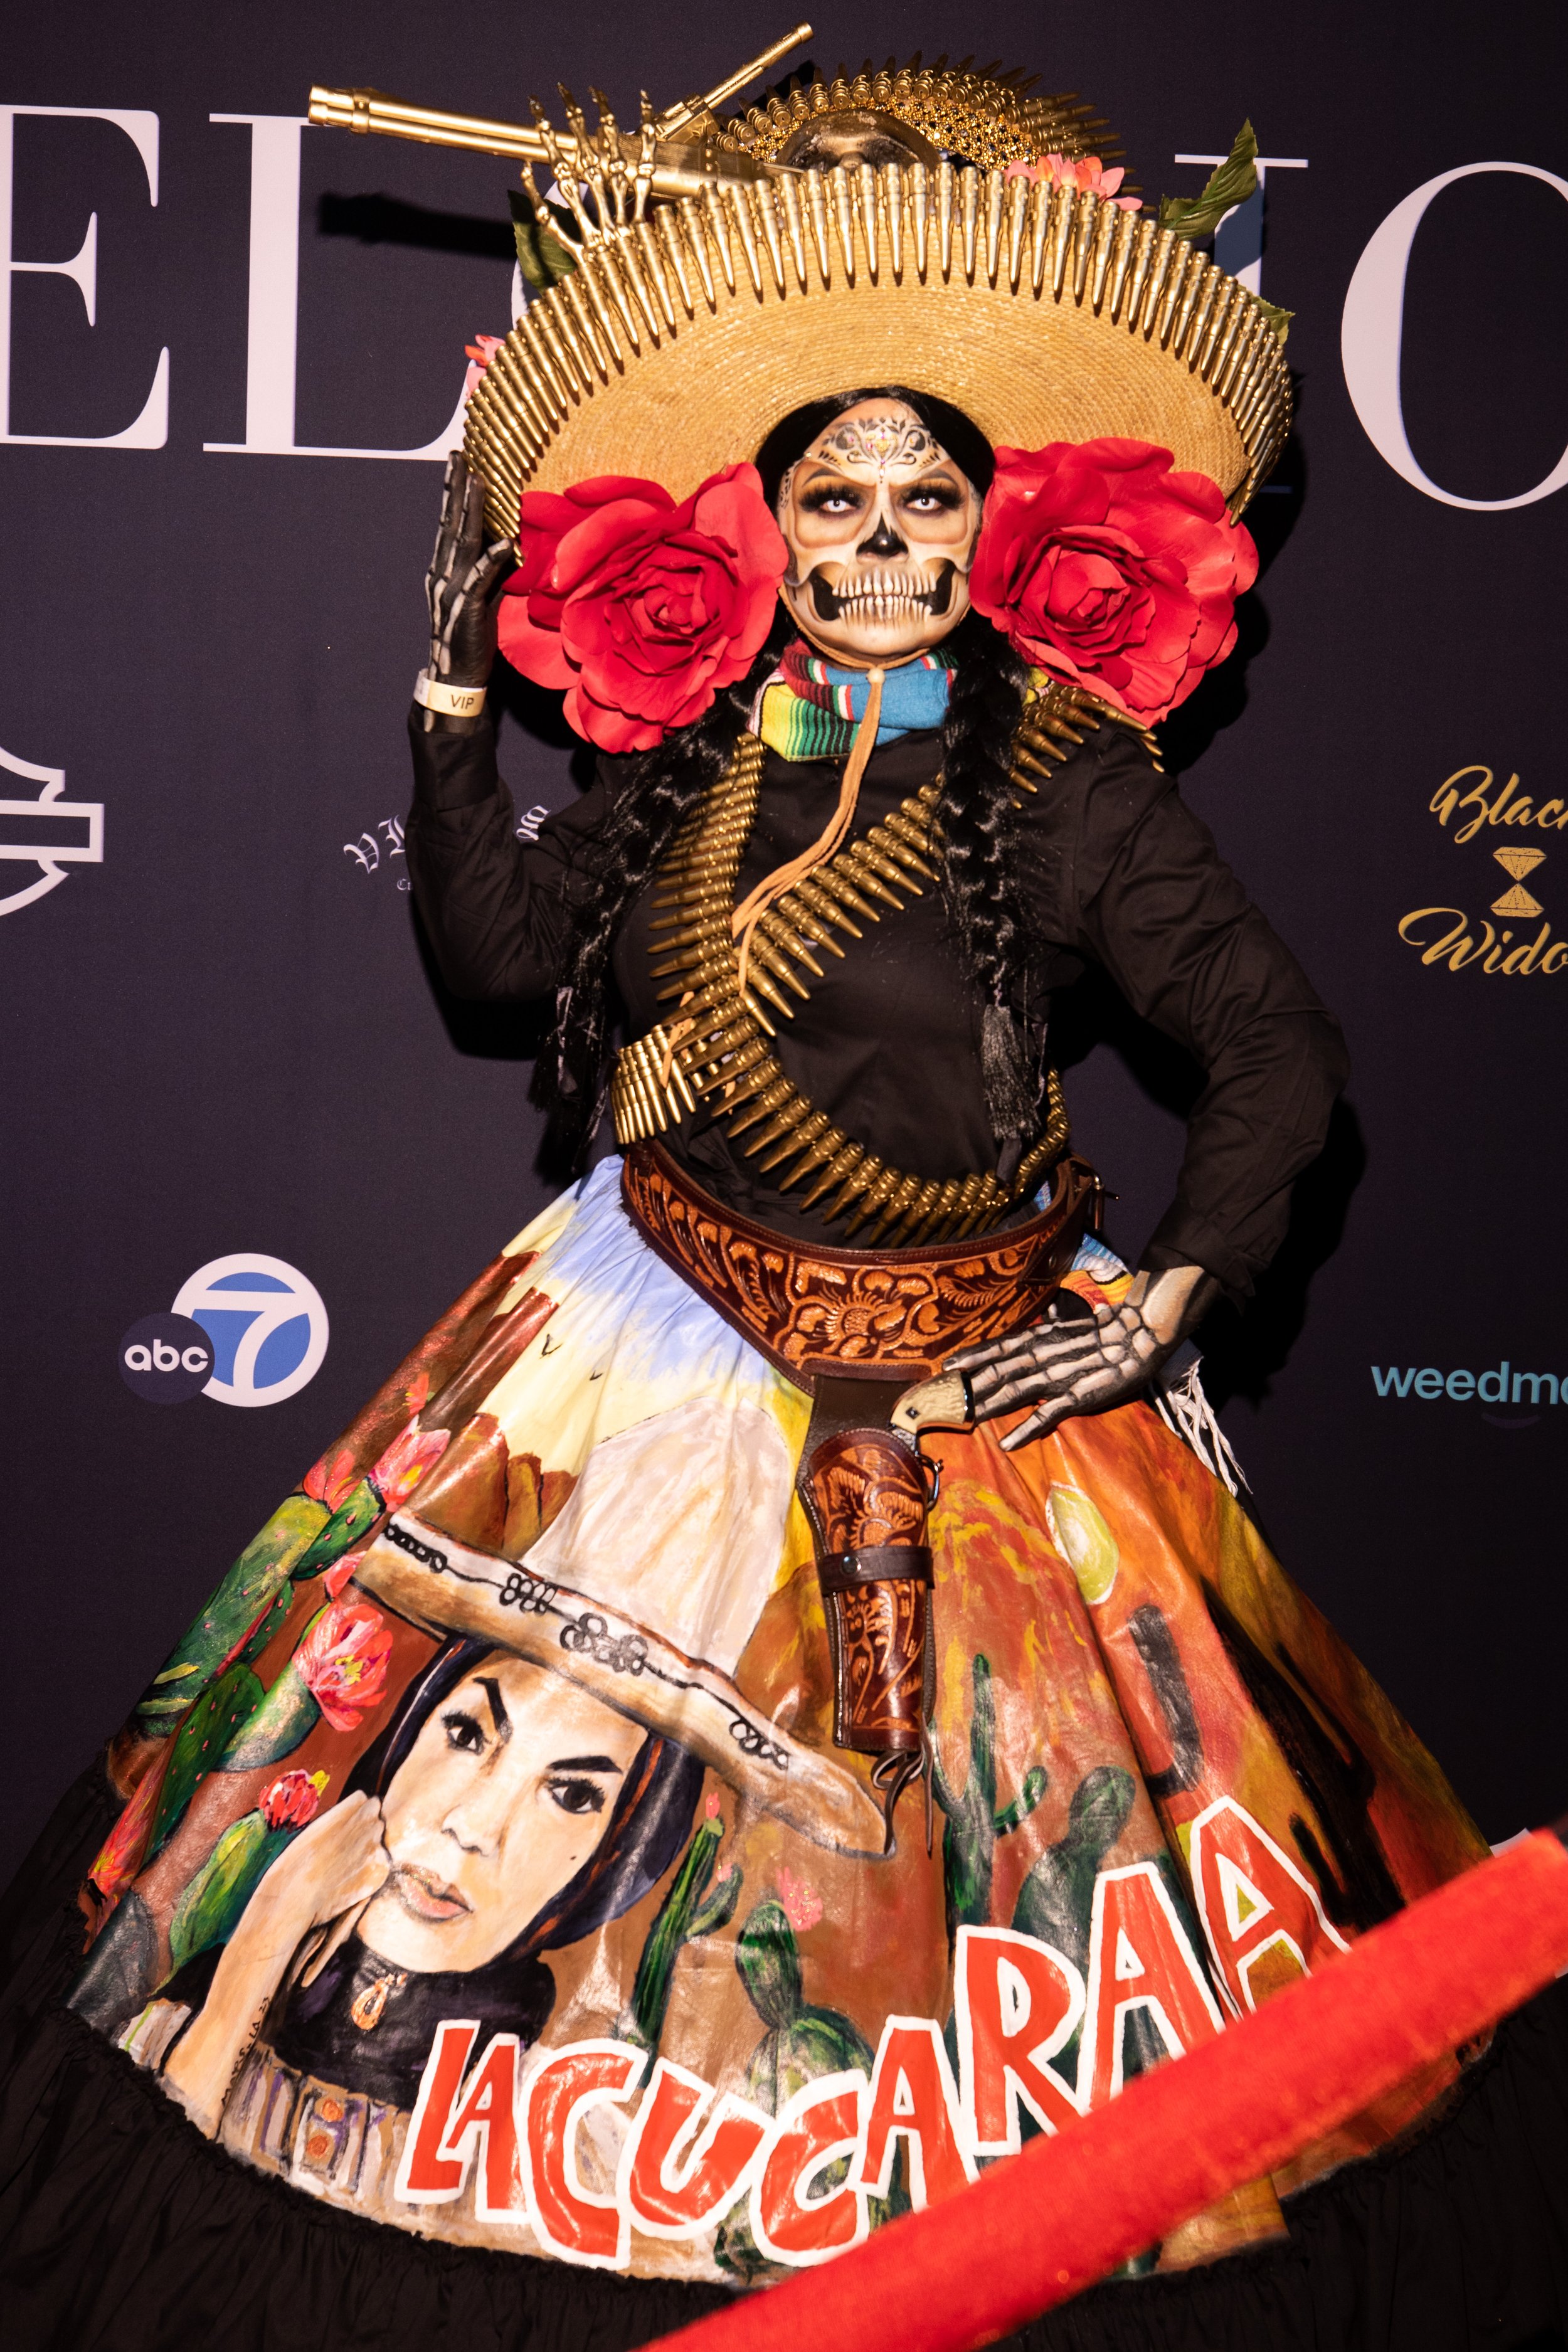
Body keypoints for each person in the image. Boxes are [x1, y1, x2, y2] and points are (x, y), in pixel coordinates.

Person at [3, 44, 1567, 2352]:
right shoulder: (684, 770)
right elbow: (495, 968)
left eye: (921, 505)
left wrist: (1184, 1292)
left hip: (977, 1396)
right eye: (831, 507)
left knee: (948, 1888)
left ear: (985, 524)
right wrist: (449, 711)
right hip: (644, 1344)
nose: (877, 552)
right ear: (767, 533)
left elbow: (1278, 1051)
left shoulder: (1070, 788)